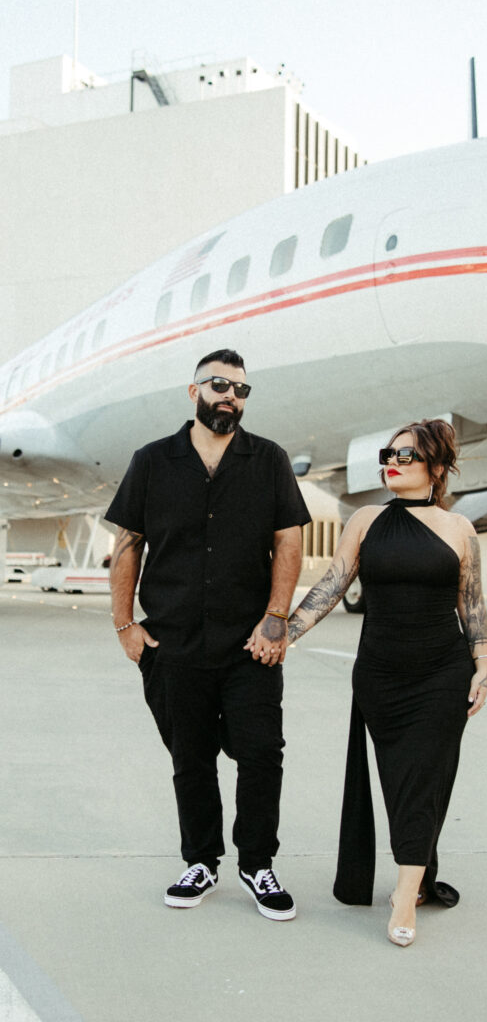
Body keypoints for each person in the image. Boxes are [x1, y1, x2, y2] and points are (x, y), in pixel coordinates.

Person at [105, 348, 311, 921]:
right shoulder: (152, 461)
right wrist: (125, 625)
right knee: (190, 758)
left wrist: (276, 618)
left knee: (262, 754)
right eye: (220, 385)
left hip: (251, 644)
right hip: (171, 643)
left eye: (241, 390)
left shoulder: (268, 459)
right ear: (192, 391)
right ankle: (200, 860)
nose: (231, 397)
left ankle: (256, 862)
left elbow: (289, 541)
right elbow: (127, 544)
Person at [286, 419, 487, 946]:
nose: (392, 462)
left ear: (437, 469)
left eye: (406, 456)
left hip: (443, 672)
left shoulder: (460, 529)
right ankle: (418, 875)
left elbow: (471, 603)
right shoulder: (366, 520)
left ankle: (404, 895)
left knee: (424, 777)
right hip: (380, 675)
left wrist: (483, 662)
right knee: (399, 781)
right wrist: (285, 634)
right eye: (389, 453)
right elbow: (331, 585)